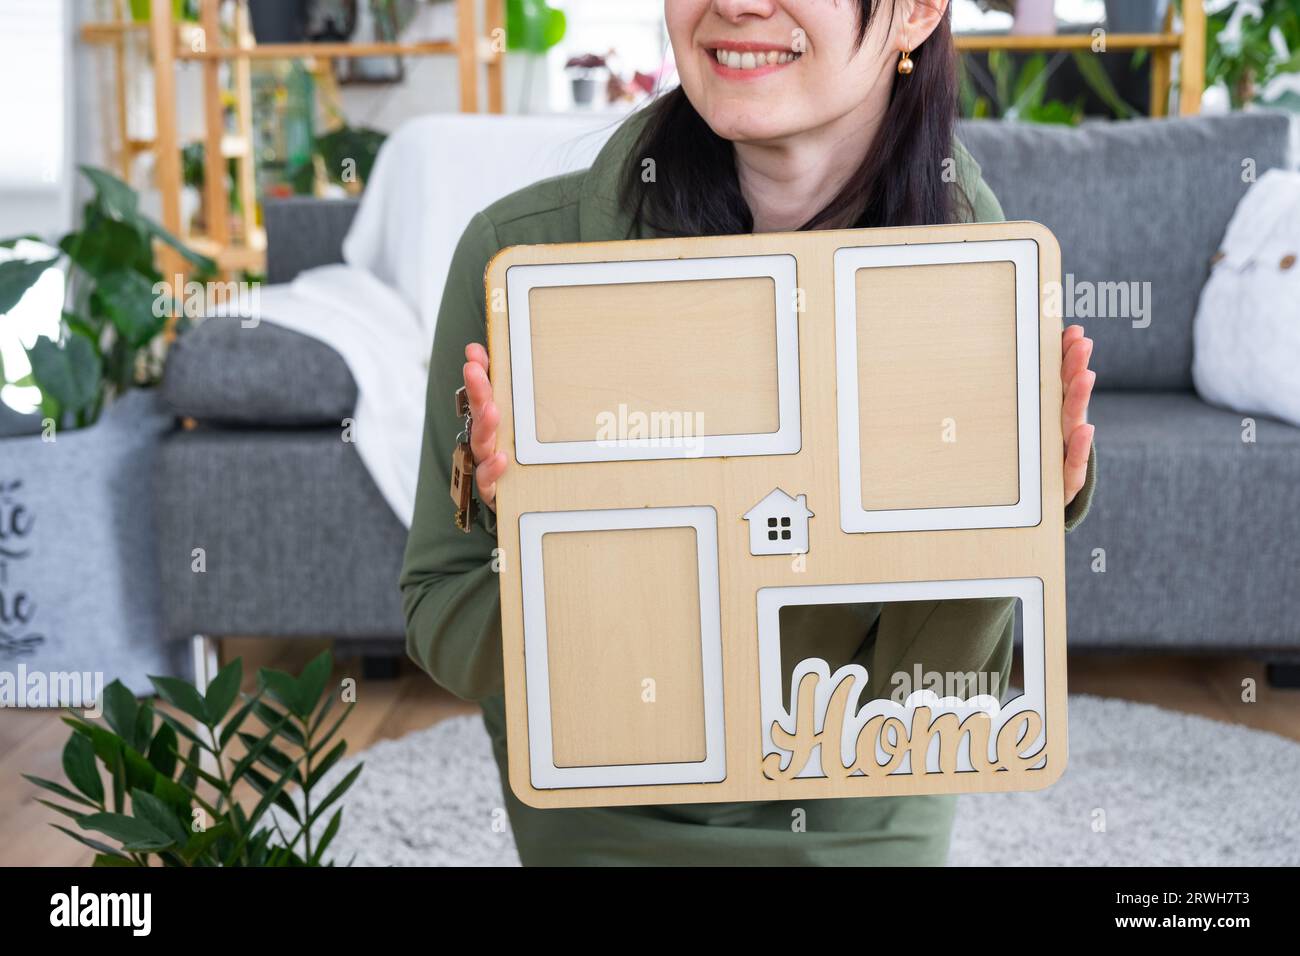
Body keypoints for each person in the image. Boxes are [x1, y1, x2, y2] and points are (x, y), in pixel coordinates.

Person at [400, 0, 1097, 865]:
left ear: (917, 11)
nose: (734, 4)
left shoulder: (978, 265)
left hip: (863, 811)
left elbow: (932, 698)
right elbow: (441, 607)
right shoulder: (518, 258)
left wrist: (1006, 526)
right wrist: (560, 563)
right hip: (607, 815)